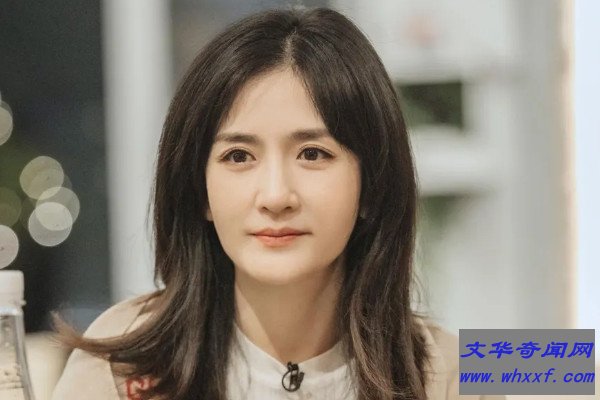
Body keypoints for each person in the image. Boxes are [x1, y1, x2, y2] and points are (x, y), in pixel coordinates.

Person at [51, 6, 504, 400]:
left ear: (372, 184)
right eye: (238, 156)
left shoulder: (453, 372)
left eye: (313, 154)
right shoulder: (122, 365)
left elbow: (549, 362)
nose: (275, 197)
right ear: (199, 190)